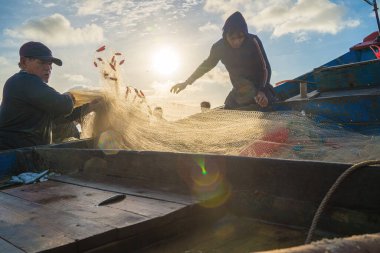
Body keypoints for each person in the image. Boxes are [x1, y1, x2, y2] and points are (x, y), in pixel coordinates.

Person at [0, 41, 99, 150]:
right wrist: (70, 96)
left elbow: (57, 119)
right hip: (10, 157)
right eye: (42, 62)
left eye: (50, 63)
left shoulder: (31, 90)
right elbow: (63, 105)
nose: (48, 68)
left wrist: (88, 106)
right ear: (24, 62)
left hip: (28, 155)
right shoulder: (23, 81)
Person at [171, 11, 277, 109]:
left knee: (265, 104)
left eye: (240, 37)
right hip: (239, 90)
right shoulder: (219, 48)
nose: (237, 42)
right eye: (232, 38)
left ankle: (266, 101)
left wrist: (262, 91)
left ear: (245, 35)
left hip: (259, 87)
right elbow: (206, 66)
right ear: (225, 35)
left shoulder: (253, 41)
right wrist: (186, 82)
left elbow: (265, 68)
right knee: (227, 111)